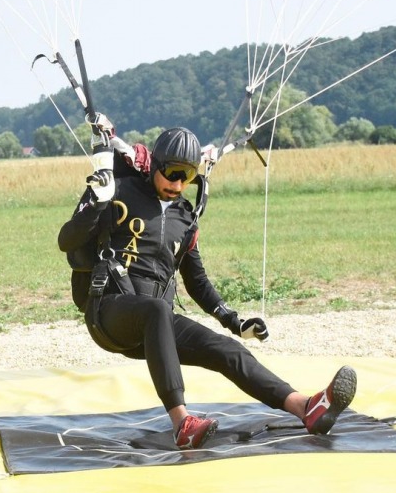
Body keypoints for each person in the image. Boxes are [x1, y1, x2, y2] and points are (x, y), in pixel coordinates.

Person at [58, 126, 357, 449]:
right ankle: (182, 423)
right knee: (156, 310)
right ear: (155, 165)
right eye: (171, 173)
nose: (177, 184)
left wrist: (234, 321)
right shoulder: (118, 191)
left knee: (225, 349)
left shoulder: (184, 218)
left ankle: (306, 408)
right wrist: (97, 202)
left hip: (155, 324)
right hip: (108, 310)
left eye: (186, 176)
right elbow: (67, 241)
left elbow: (196, 281)